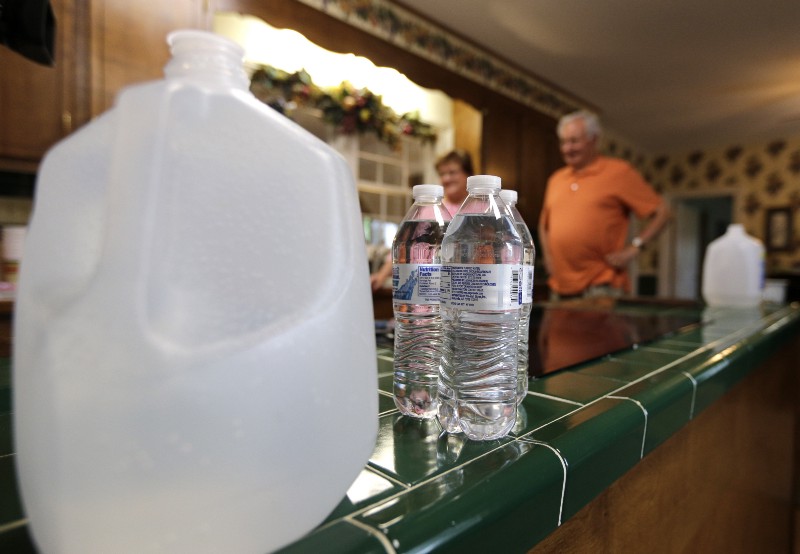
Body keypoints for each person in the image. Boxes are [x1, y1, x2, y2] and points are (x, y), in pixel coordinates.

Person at [538, 110, 671, 299]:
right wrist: (549, 259)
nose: (567, 148)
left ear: (594, 139)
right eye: (563, 142)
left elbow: (663, 212)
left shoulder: (619, 172)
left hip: (600, 286)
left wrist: (635, 247)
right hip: (559, 286)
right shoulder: (555, 179)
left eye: (574, 141)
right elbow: (545, 226)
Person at [370, 149, 473, 290]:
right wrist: (381, 276)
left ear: (468, 175)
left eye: (452, 172)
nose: (446, 179)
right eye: (442, 174)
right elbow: (405, 245)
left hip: (471, 285)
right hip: (434, 286)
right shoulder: (429, 209)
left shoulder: (482, 210)